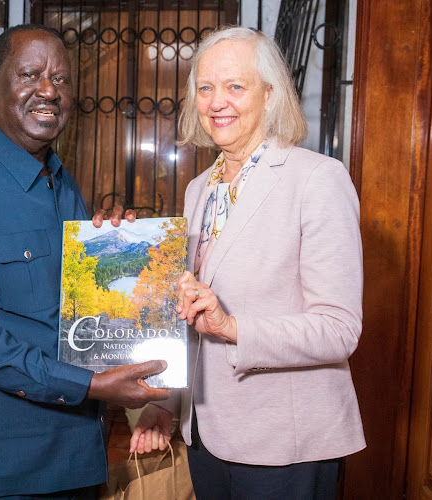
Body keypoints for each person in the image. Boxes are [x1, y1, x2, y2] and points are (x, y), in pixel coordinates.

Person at [0, 24, 169, 500]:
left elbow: (74, 308)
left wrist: (114, 245)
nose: (49, 89)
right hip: (1, 467)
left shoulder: (61, 181)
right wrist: (88, 384)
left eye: (62, 78)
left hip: (75, 457)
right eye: (30, 74)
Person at [128, 26, 366, 499]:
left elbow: (340, 329)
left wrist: (234, 327)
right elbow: (189, 321)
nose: (218, 102)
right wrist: (168, 407)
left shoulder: (317, 179)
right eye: (206, 87)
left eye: (235, 86)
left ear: (270, 94)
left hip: (286, 445)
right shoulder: (199, 190)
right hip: (206, 437)